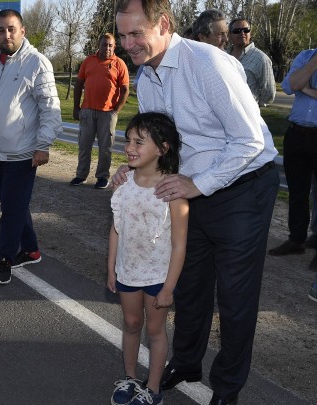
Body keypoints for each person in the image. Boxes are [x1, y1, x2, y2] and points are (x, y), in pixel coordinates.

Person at [114, 0, 279, 403]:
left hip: (243, 186)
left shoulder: (207, 63)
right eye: (122, 35)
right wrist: (131, 168)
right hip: (190, 187)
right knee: (189, 286)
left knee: (235, 298)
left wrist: (198, 184)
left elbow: (250, 140)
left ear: (164, 25)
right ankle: (187, 361)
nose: (127, 44)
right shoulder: (146, 74)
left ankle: (227, 387)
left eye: (136, 33)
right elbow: (160, 144)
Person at [0, 9, 62, 284]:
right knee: (15, 205)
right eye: (1, 30)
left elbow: (50, 109)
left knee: (10, 210)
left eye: (11, 29)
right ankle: (31, 250)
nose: (6, 34)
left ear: (22, 30)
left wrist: (43, 145)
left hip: (23, 154)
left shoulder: (37, 63)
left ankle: (5, 259)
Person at [108, 112, 188, 405]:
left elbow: (179, 245)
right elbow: (116, 229)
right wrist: (111, 267)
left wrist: (168, 288)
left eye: (139, 142)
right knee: (130, 323)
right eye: (128, 140)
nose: (130, 147)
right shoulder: (122, 183)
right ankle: (129, 378)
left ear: (162, 149)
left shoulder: (173, 190)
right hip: (127, 270)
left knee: (155, 330)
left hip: (157, 276)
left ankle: (153, 389)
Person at [268, 48, 317, 273]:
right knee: (297, 190)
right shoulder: (306, 56)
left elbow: (297, 84)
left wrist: (304, 86)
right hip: (296, 133)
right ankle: (296, 240)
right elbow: (289, 86)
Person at [70, 33, 129, 189]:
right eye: (104, 44)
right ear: (99, 45)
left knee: (105, 148)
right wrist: (76, 107)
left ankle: (102, 177)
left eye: (110, 45)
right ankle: (81, 175)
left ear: (114, 47)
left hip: (108, 113)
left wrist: (116, 111)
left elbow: (125, 90)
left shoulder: (119, 64)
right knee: (84, 146)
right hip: (87, 111)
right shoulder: (88, 61)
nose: (107, 48)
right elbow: (78, 85)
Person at [227, 17, 276, 107]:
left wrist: (254, 105)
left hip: (248, 113)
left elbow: (269, 92)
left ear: (250, 33)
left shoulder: (261, 58)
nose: (242, 33)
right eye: (237, 31)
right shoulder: (224, 56)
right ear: (229, 35)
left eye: (246, 30)